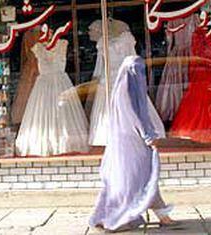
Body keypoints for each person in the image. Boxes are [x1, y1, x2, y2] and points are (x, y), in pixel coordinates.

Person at [89, 56, 177, 232]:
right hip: (134, 143)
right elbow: (137, 116)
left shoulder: (121, 89)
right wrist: (147, 136)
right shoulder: (129, 91)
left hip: (125, 142)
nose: (141, 75)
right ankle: (117, 219)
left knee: (142, 178)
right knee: (137, 180)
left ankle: (163, 215)